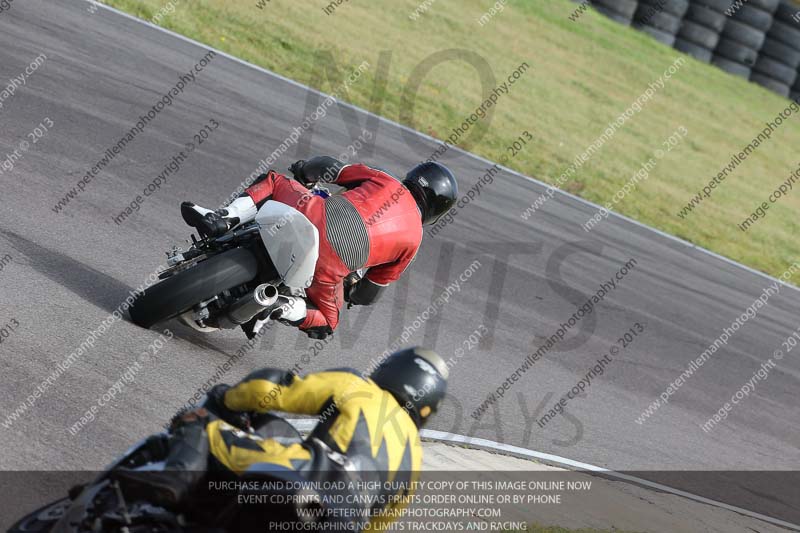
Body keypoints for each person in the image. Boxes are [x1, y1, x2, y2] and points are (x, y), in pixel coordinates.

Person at [113, 347, 449, 530]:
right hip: (340, 522)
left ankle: (172, 481)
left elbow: (269, 391)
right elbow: (378, 525)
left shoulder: (361, 388)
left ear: (390, 370)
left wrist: (227, 399)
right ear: (427, 407)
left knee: (200, 424)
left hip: (293, 476)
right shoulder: (413, 462)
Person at [181, 158, 458, 339]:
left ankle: (222, 219)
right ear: (437, 211)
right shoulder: (413, 241)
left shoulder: (385, 179)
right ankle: (279, 307)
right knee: (328, 321)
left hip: (310, 213)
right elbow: (367, 295)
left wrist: (304, 170)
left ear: (412, 176)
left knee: (275, 181)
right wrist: (349, 287)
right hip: (329, 266)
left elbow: (330, 168)